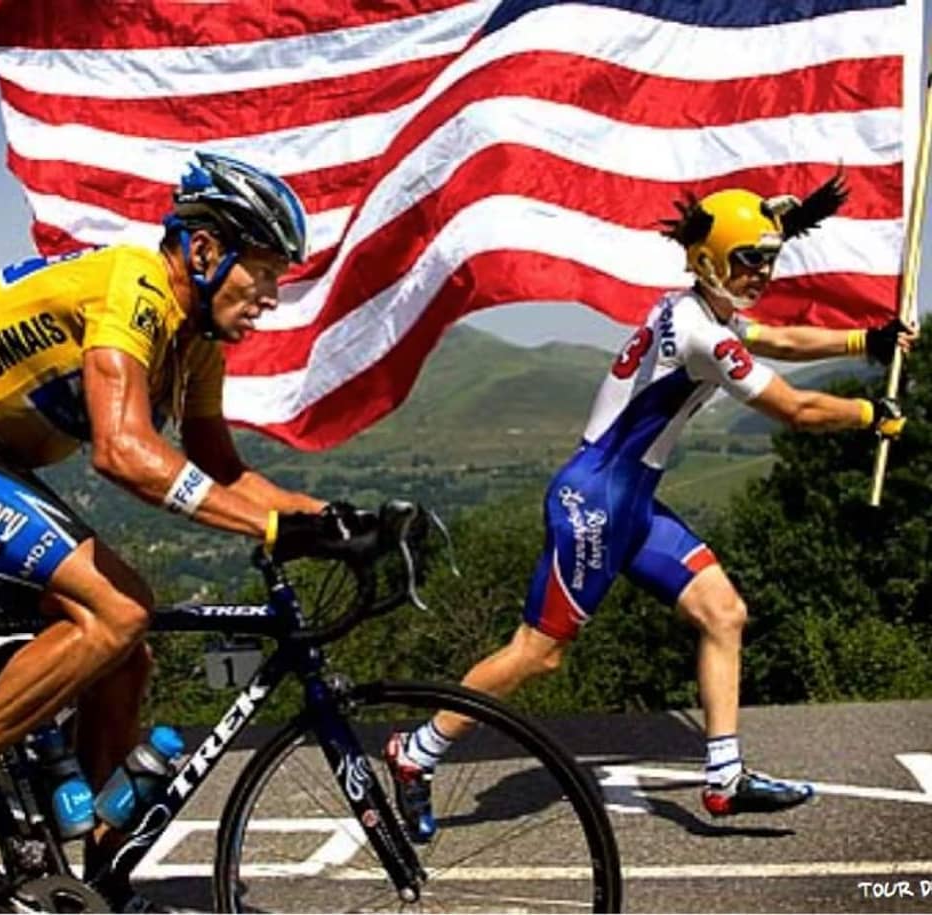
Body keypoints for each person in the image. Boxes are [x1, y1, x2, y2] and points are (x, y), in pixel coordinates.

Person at [0, 152, 375, 904]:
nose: (270, 294)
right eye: (260, 269)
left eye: (278, 276)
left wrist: (328, 521)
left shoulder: (198, 336)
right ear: (203, 250)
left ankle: (95, 866)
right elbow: (123, 452)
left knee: (124, 658)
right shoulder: (134, 287)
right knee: (118, 607)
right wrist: (267, 527)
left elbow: (219, 466)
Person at [385, 172, 917, 838]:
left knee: (723, 611)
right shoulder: (703, 334)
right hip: (598, 501)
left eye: (769, 259)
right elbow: (798, 409)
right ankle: (416, 751)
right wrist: (871, 413)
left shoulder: (696, 310)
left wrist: (863, 341)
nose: (762, 272)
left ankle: (723, 779)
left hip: (631, 501)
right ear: (709, 260)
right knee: (539, 652)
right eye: (749, 259)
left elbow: (773, 338)